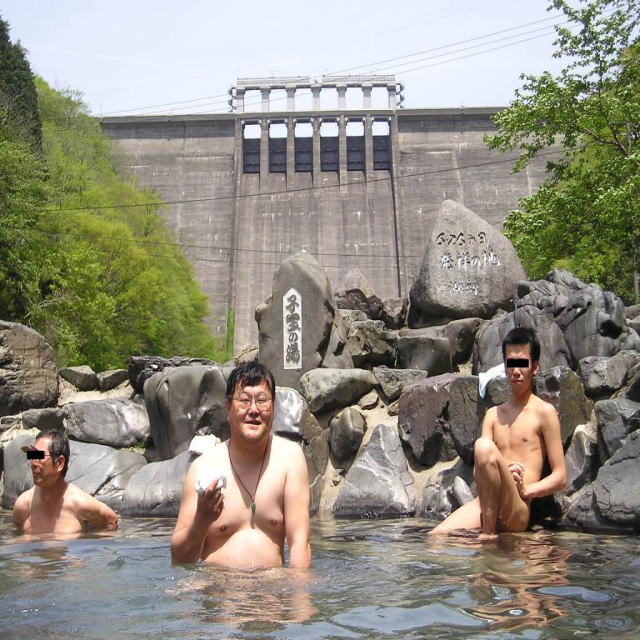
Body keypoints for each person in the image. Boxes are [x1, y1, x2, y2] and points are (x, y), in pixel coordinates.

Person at [171, 361, 311, 568]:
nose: (253, 410)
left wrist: (300, 599)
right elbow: (180, 560)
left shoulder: (290, 459)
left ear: (273, 409)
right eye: (244, 401)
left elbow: (300, 543)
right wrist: (201, 520)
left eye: (262, 401)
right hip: (218, 590)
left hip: (272, 594)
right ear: (228, 408)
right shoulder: (203, 468)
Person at [430, 327, 566, 538]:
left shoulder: (544, 413)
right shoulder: (493, 415)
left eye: (522, 363)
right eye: (511, 363)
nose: (516, 371)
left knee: (483, 446)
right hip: (484, 504)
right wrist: (501, 467)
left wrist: (526, 489)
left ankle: (488, 536)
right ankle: (488, 534)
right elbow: (479, 472)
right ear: (505, 367)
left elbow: (560, 477)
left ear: (535, 367)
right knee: (435, 539)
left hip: (517, 505)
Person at [13, 429, 118, 534]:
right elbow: (16, 536)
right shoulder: (23, 506)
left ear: (59, 463)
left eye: (39, 456)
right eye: (32, 456)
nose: (33, 463)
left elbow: (111, 522)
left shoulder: (81, 504)